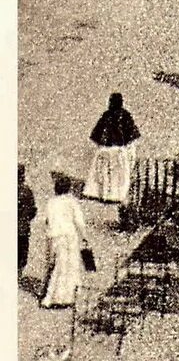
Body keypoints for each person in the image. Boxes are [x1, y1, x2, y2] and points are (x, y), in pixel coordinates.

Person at [28, 172, 92, 309]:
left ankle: (50, 295)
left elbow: (46, 220)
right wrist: (85, 237)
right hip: (69, 236)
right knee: (69, 265)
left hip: (54, 236)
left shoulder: (51, 202)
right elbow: (79, 222)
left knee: (55, 265)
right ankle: (65, 296)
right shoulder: (72, 202)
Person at [82, 94, 141, 206]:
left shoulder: (106, 115)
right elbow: (131, 138)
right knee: (118, 176)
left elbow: (96, 135)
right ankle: (117, 196)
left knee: (104, 174)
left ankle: (103, 195)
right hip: (119, 151)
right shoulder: (125, 116)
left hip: (105, 150)